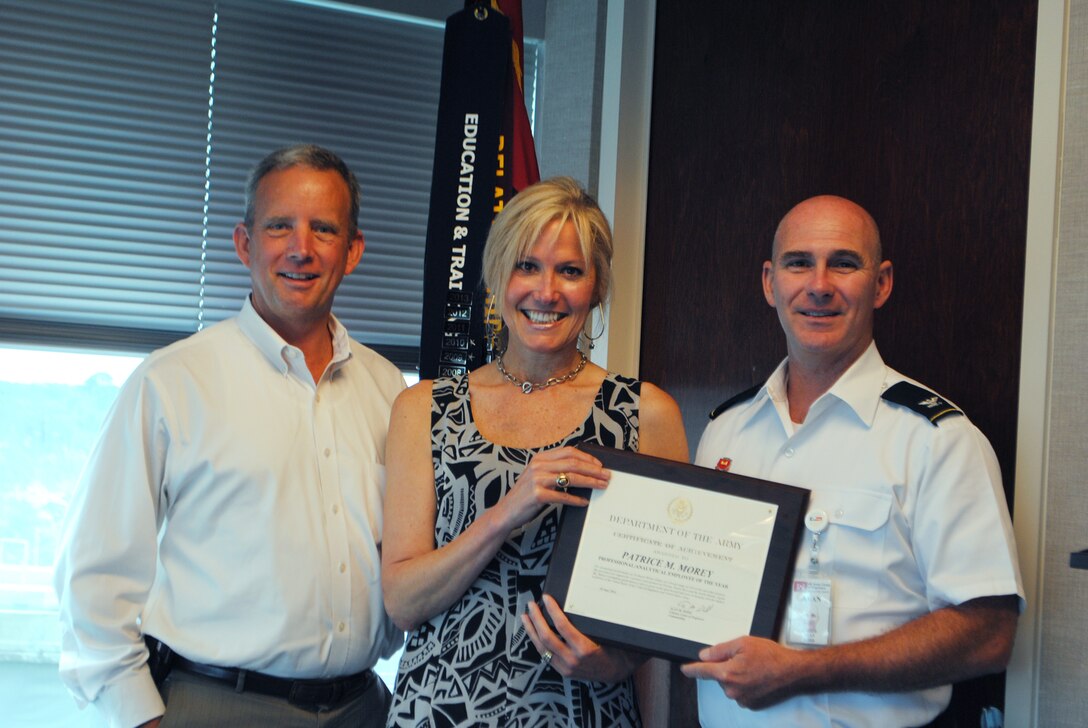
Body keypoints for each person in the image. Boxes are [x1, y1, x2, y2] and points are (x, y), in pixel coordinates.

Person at [53, 144, 404, 728]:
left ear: (353, 250)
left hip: (363, 707)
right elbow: (94, 573)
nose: (301, 248)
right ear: (245, 244)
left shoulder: (389, 389)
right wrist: (139, 716)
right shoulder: (171, 382)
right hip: (216, 706)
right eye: (279, 226)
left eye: (324, 228)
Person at [680, 195, 1024, 727]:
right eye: (799, 263)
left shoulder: (937, 440)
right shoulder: (725, 430)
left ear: (881, 283)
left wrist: (805, 670)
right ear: (770, 283)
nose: (819, 284)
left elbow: (988, 633)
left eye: (844, 262)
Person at [381, 176, 689, 726]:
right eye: (527, 265)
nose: (546, 292)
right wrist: (504, 513)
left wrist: (615, 660)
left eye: (570, 271)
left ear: (596, 287)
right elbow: (403, 602)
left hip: (584, 710)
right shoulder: (424, 408)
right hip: (441, 709)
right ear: (498, 276)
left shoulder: (646, 415)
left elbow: (668, 605)